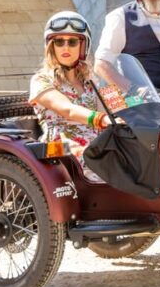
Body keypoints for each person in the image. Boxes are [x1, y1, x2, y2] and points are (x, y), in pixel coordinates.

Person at [29, 11, 113, 176]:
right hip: (56, 147)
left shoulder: (90, 81)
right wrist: (101, 119)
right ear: (51, 46)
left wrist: (134, 102)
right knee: (88, 155)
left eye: (72, 41)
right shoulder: (41, 79)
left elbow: (108, 108)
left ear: (83, 46)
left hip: (94, 143)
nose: (65, 47)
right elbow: (67, 109)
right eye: (59, 41)